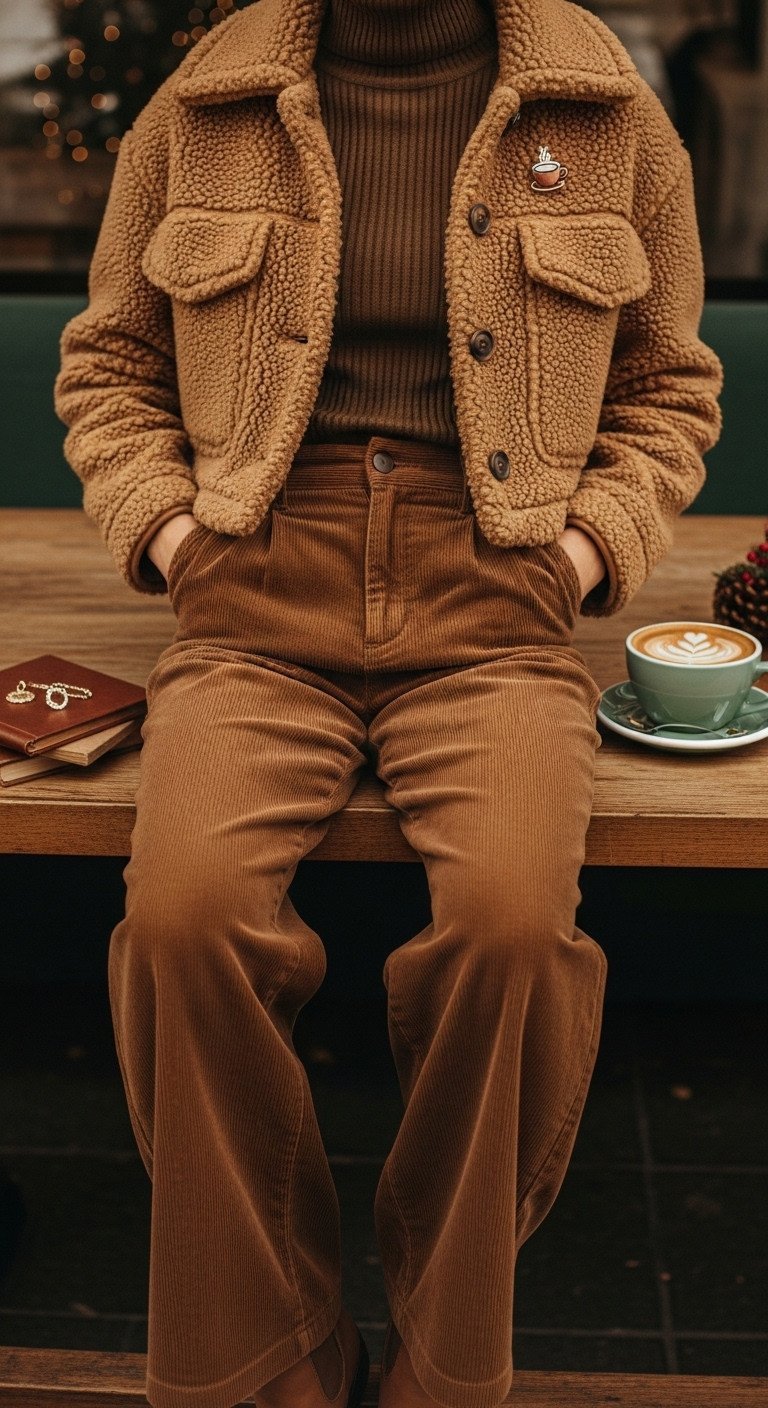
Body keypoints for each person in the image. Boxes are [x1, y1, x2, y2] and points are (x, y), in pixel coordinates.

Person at [53, 1, 723, 1407]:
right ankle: (273, 1349)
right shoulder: (208, 98)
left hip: (497, 600)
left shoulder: (606, 112)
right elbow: (109, 360)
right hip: (254, 588)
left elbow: (670, 386)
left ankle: (441, 1351)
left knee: (511, 933)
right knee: (180, 919)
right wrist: (174, 534)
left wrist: (587, 546)